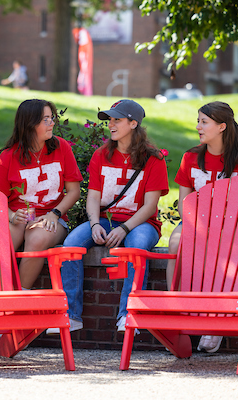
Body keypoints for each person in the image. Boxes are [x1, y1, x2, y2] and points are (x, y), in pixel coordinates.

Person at [48, 99, 169, 334]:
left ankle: (129, 314)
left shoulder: (153, 159)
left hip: (142, 222)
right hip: (105, 219)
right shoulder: (101, 155)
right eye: (109, 120)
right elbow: (93, 197)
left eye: (117, 120)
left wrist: (124, 229)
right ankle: (71, 315)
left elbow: (150, 205)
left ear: (133, 123)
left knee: (137, 248)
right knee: (71, 244)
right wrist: (94, 224)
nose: (111, 125)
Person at [166, 101, 238, 353]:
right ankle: (176, 313)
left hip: (231, 228)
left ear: (221, 127)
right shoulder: (190, 158)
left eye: (204, 122)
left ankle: (214, 321)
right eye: (198, 121)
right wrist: (198, 226)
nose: (198, 127)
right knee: (175, 243)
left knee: (220, 252)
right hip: (196, 222)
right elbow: (184, 202)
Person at [0, 99, 82, 289]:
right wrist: (12, 216)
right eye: (46, 119)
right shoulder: (8, 157)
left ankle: (20, 297)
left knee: (38, 239)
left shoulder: (61, 147)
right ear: (30, 124)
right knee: (1, 246)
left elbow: (74, 191)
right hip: (18, 216)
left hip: (51, 215)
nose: (52, 123)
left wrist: (54, 214)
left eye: (52, 118)